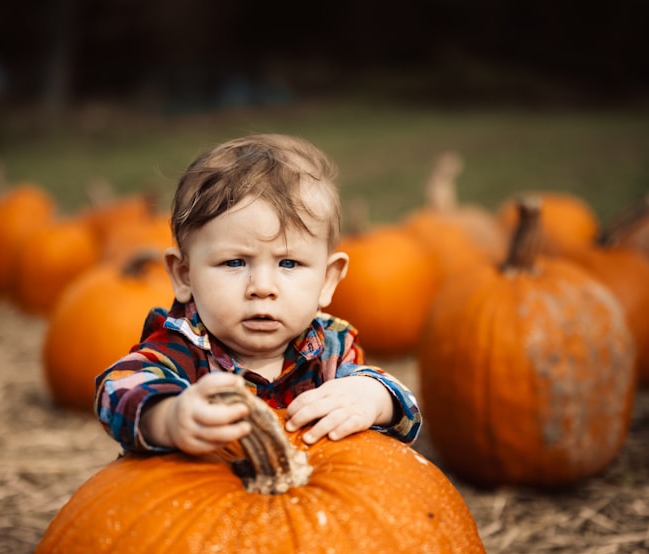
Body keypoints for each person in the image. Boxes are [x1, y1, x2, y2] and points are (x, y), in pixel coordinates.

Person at [95, 133, 421, 456]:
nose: (262, 287)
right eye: (234, 262)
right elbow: (116, 389)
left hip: (310, 499)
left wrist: (372, 397)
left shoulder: (331, 351)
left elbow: (406, 410)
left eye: (289, 263)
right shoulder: (181, 348)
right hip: (202, 499)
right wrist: (168, 416)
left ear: (327, 280)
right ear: (184, 275)